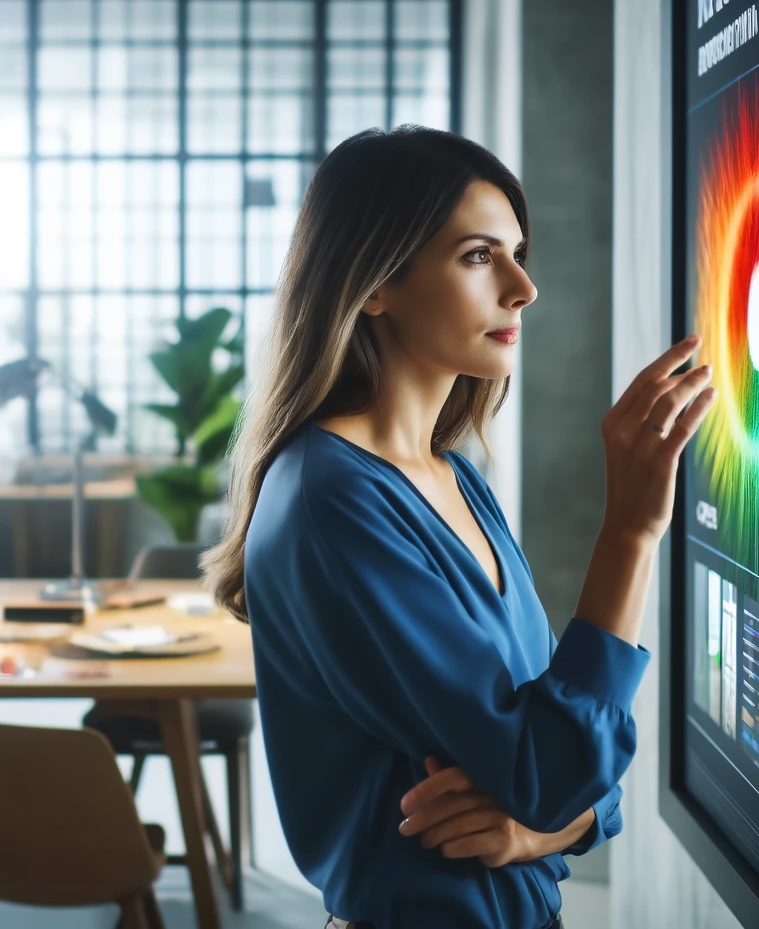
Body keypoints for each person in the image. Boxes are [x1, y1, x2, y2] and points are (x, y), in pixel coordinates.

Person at [201, 126, 716, 929]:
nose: (523, 287)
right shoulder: (330, 500)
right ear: (373, 283)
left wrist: (542, 827)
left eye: (516, 251)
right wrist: (631, 532)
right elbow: (551, 768)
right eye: (478, 256)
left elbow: (559, 760)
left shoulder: (454, 476)